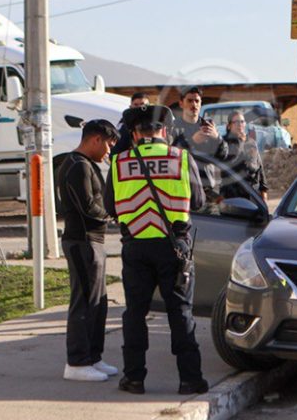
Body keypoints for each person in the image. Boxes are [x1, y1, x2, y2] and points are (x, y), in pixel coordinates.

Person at [105, 105, 208, 396]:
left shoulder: (119, 162)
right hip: (174, 247)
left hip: (135, 246)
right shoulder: (181, 158)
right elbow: (198, 202)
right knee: (180, 312)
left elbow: (109, 207)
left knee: (135, 313)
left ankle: (134, 379)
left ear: (135, 134)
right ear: (164, 131)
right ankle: (190, 379)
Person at [57, 119, 120, 383]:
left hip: (94, 242)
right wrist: (114, 215)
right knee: (84, 302)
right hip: (82, 242)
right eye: (107, 144)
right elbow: (89, 207)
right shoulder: (76, 165)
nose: (108, 151)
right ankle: (77, 361)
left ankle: (93, 356)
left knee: (99, 302)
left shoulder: (88, 165)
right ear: (94, 139)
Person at [169, 87, 229, 202]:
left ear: (201, 103)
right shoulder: (174, 128)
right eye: (190, 101)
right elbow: (171, 157)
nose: (194, 105)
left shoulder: (208, 126)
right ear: (181, 104)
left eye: (197, 101)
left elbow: (223, 156)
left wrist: (218, 139)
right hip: (182, 192)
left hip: (207, 191)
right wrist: (192, 142)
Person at [220, 111, 268, 202]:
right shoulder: (224, 143)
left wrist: (264, 190)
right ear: (229, 126)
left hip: (253, 192)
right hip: (233, 194)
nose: (240, 124)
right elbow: (233, 163)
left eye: (242, 122)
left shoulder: (251, 142)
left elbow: (259, 167)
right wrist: (241, 143)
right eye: (236, 122)